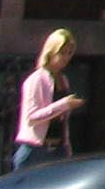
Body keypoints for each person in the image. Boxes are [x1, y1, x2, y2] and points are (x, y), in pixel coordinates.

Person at [13, 31, 83, 171]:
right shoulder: (37, 79)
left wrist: (66, 146)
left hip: (59, 149)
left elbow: (62, 120)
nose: (66, 57)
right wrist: (64, 104)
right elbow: (32, 117)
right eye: (62, 52)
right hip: (36, 150)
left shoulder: (63, 80)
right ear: (51, 51)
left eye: (69, 53)